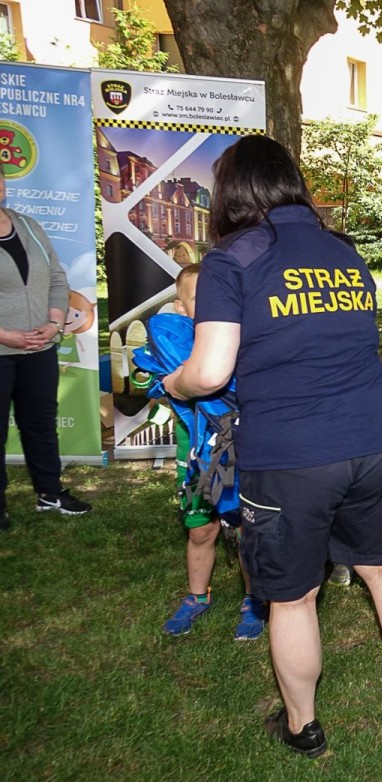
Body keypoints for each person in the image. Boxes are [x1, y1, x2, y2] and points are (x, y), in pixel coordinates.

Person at [163, 135, 382, 758]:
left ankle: (302, 724)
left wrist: (171, 381)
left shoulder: (232, 259)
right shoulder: (343, 250)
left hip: (290, 455)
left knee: (292, 596)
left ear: (232, 191)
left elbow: (209, 372)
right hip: (372, 439)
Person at [160, 264, 266, 640]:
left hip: (239, 459)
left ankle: (253, 601)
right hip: (195, 465)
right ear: (181, 306)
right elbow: (158, 383)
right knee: (200, 529)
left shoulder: (238, 345)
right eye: (198, 300)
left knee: (244, 529)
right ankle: (196, 596)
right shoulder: (171, 345)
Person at [0, 171, 92, 528]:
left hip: (40, 346)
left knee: (40, 423)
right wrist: (5, 335)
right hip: (2, 349)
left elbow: (56, 277)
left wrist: (54, 322)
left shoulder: (28, 226)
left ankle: (49, 493)